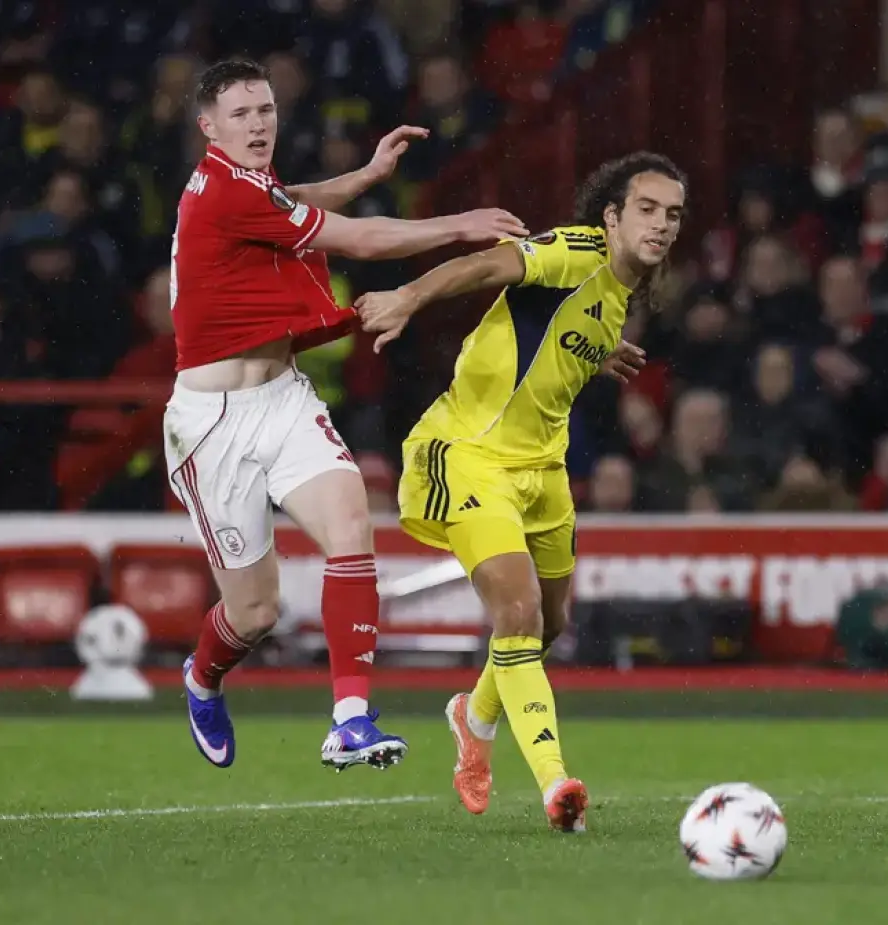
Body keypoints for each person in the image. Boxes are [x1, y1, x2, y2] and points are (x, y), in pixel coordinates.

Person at [168, 57, 527, 772]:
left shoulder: (245, 182)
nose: (259, 123)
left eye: (266, 109)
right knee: (256, 613)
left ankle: (351, 719)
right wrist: (461, 225)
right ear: (208, 127)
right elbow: (358, 241)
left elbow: (290, 197)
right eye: (241, 114)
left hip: (283, 397)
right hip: (211, 422)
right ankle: (201, 676)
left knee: (352, 526)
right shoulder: (223, 194)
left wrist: (361, 178)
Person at [356, 152, 684, 830]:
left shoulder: (616, 294)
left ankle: (471, 717)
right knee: (520, 609)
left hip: (543, 472)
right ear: (612, 216)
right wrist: (408, 298)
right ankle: (555, 783)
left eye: (673, 214)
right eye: (646, 209)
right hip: (469, 456)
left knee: (551, 622)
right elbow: (486, 266)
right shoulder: (574, 250)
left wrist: (600, 349)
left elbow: (552, 335)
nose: (660, 224)